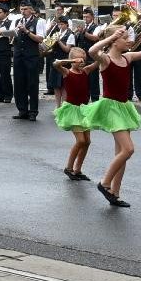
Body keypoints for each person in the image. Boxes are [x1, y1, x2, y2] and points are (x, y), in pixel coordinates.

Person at [80, 22, 141, 208]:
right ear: (115, 41)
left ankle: (115, 193)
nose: (129, 41)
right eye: (125, 38)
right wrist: (111, 37)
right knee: (128, 149)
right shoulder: (105, 60)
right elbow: (92, 51)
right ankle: (104, 183)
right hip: (111, 108)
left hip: (124, 107)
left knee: (122, 153)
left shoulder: (128, 57)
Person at [53, 46, 94, 181]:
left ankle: (78, 169)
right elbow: (56, 64)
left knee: (87, 141)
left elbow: (99, 61)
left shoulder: (85, 71)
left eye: (83, 59)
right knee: (80, 140)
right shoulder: (67, 72)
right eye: (78, 60)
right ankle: (68, 168)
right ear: (72, 61)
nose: (82, 62)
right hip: (72, 110)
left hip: (84, 109)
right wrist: (70, 60)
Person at [11, 1, 46, 119]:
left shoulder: (39, 21)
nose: (23, 11)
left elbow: (40, 39)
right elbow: (12, 37)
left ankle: (33, 111)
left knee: (32, 84)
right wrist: (11, 34)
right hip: (18, 56)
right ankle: (22, 110)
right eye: (21, 9)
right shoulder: (17, 21)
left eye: (25, 9)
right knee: (19, 83)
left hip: (31, 56)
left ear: (31, 10)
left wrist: (26, 31)